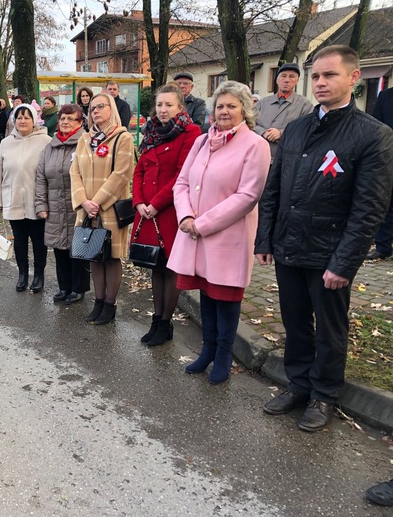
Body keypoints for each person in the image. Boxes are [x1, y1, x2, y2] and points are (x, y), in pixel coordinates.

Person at [256, 45, 393, 431]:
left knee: (331, 330)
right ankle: (298, 384)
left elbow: (370, 208)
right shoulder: (296, 129)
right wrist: (265, 240)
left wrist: (344, 262)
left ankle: (324, 394)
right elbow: (274, 188)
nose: (320, 82)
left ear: (353, 78)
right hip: (289, 246)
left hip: (329, 252)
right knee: (295, 321)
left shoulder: (373, 135)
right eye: (315, 75)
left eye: (329, 75)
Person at [168, 80, 270, 384]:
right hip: (194, 233)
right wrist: (185, 215)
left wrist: (201, 224)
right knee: (206, 293)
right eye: (220, 106)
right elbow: (182, 182)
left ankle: (224, 354)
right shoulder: (201, 141)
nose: (224, 111)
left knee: (225, 296)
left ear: (245, 110)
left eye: (232, 106)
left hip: (227, 237)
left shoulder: (256, 145)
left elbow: (247, 196)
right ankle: (208, 349)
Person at [132, 83, 201, 347]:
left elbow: (182, 174)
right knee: (155, 266)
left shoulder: (190, 132)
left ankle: (165, 323)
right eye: (160, 105)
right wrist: (138, 201)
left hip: (171, 210)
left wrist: (156, 204)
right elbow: (139, 170)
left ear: (180, 107)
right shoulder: (150, 131)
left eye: (169, 105)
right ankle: (156, 319)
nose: (163, 110)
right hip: (146, 211)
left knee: (170, 268)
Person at [70, 92, 135, 325]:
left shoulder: (122, 138)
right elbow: (74, 171)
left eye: (101, 106)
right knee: (94, 257)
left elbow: (122, 174)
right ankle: (98, 302)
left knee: (111, 257)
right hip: (87, 209)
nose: (95, 111)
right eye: (93, 108)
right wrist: (83, 202)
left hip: (109, 208)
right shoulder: (84, 139)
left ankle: (110, 304)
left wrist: (96, 202)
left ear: (111, 109)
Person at [35, 104, 91, 304]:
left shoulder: (85, 143)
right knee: (59, 248)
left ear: (80, 122)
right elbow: (41, 177)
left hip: (77, 206)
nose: (65, 122)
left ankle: (79, 288)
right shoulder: (50, 146)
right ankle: (64, 286)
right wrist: (41, 205)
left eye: (71, 119)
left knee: (78, 247)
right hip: (55, 205)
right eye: (62, 119)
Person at [0, 104, 51, 292]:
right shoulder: (6, 143)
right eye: (19, 118)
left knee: (38, 240)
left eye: (27, 117)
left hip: (37, 200)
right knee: (19, 239)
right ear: (14, 120)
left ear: (34, 120)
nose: (23, 121)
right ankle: (22, 274)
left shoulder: (46, 141)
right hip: (13, 197)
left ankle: (39, 275)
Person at [253, 63, 313, 160]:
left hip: (287, 159)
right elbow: (249, 123)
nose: (287, 80)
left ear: (297, 81)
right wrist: (263, 132)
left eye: (292, 77)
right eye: (283, 76)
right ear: (277, 80)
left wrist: (281, 133)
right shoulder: (262, 103)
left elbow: (307, 128)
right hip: (260, 157)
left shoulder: (304, 105)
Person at [366, 86, 393, 260]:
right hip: (389, 158)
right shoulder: (386, 96)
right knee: (387, 203)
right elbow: (376, 127)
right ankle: (383, 246)